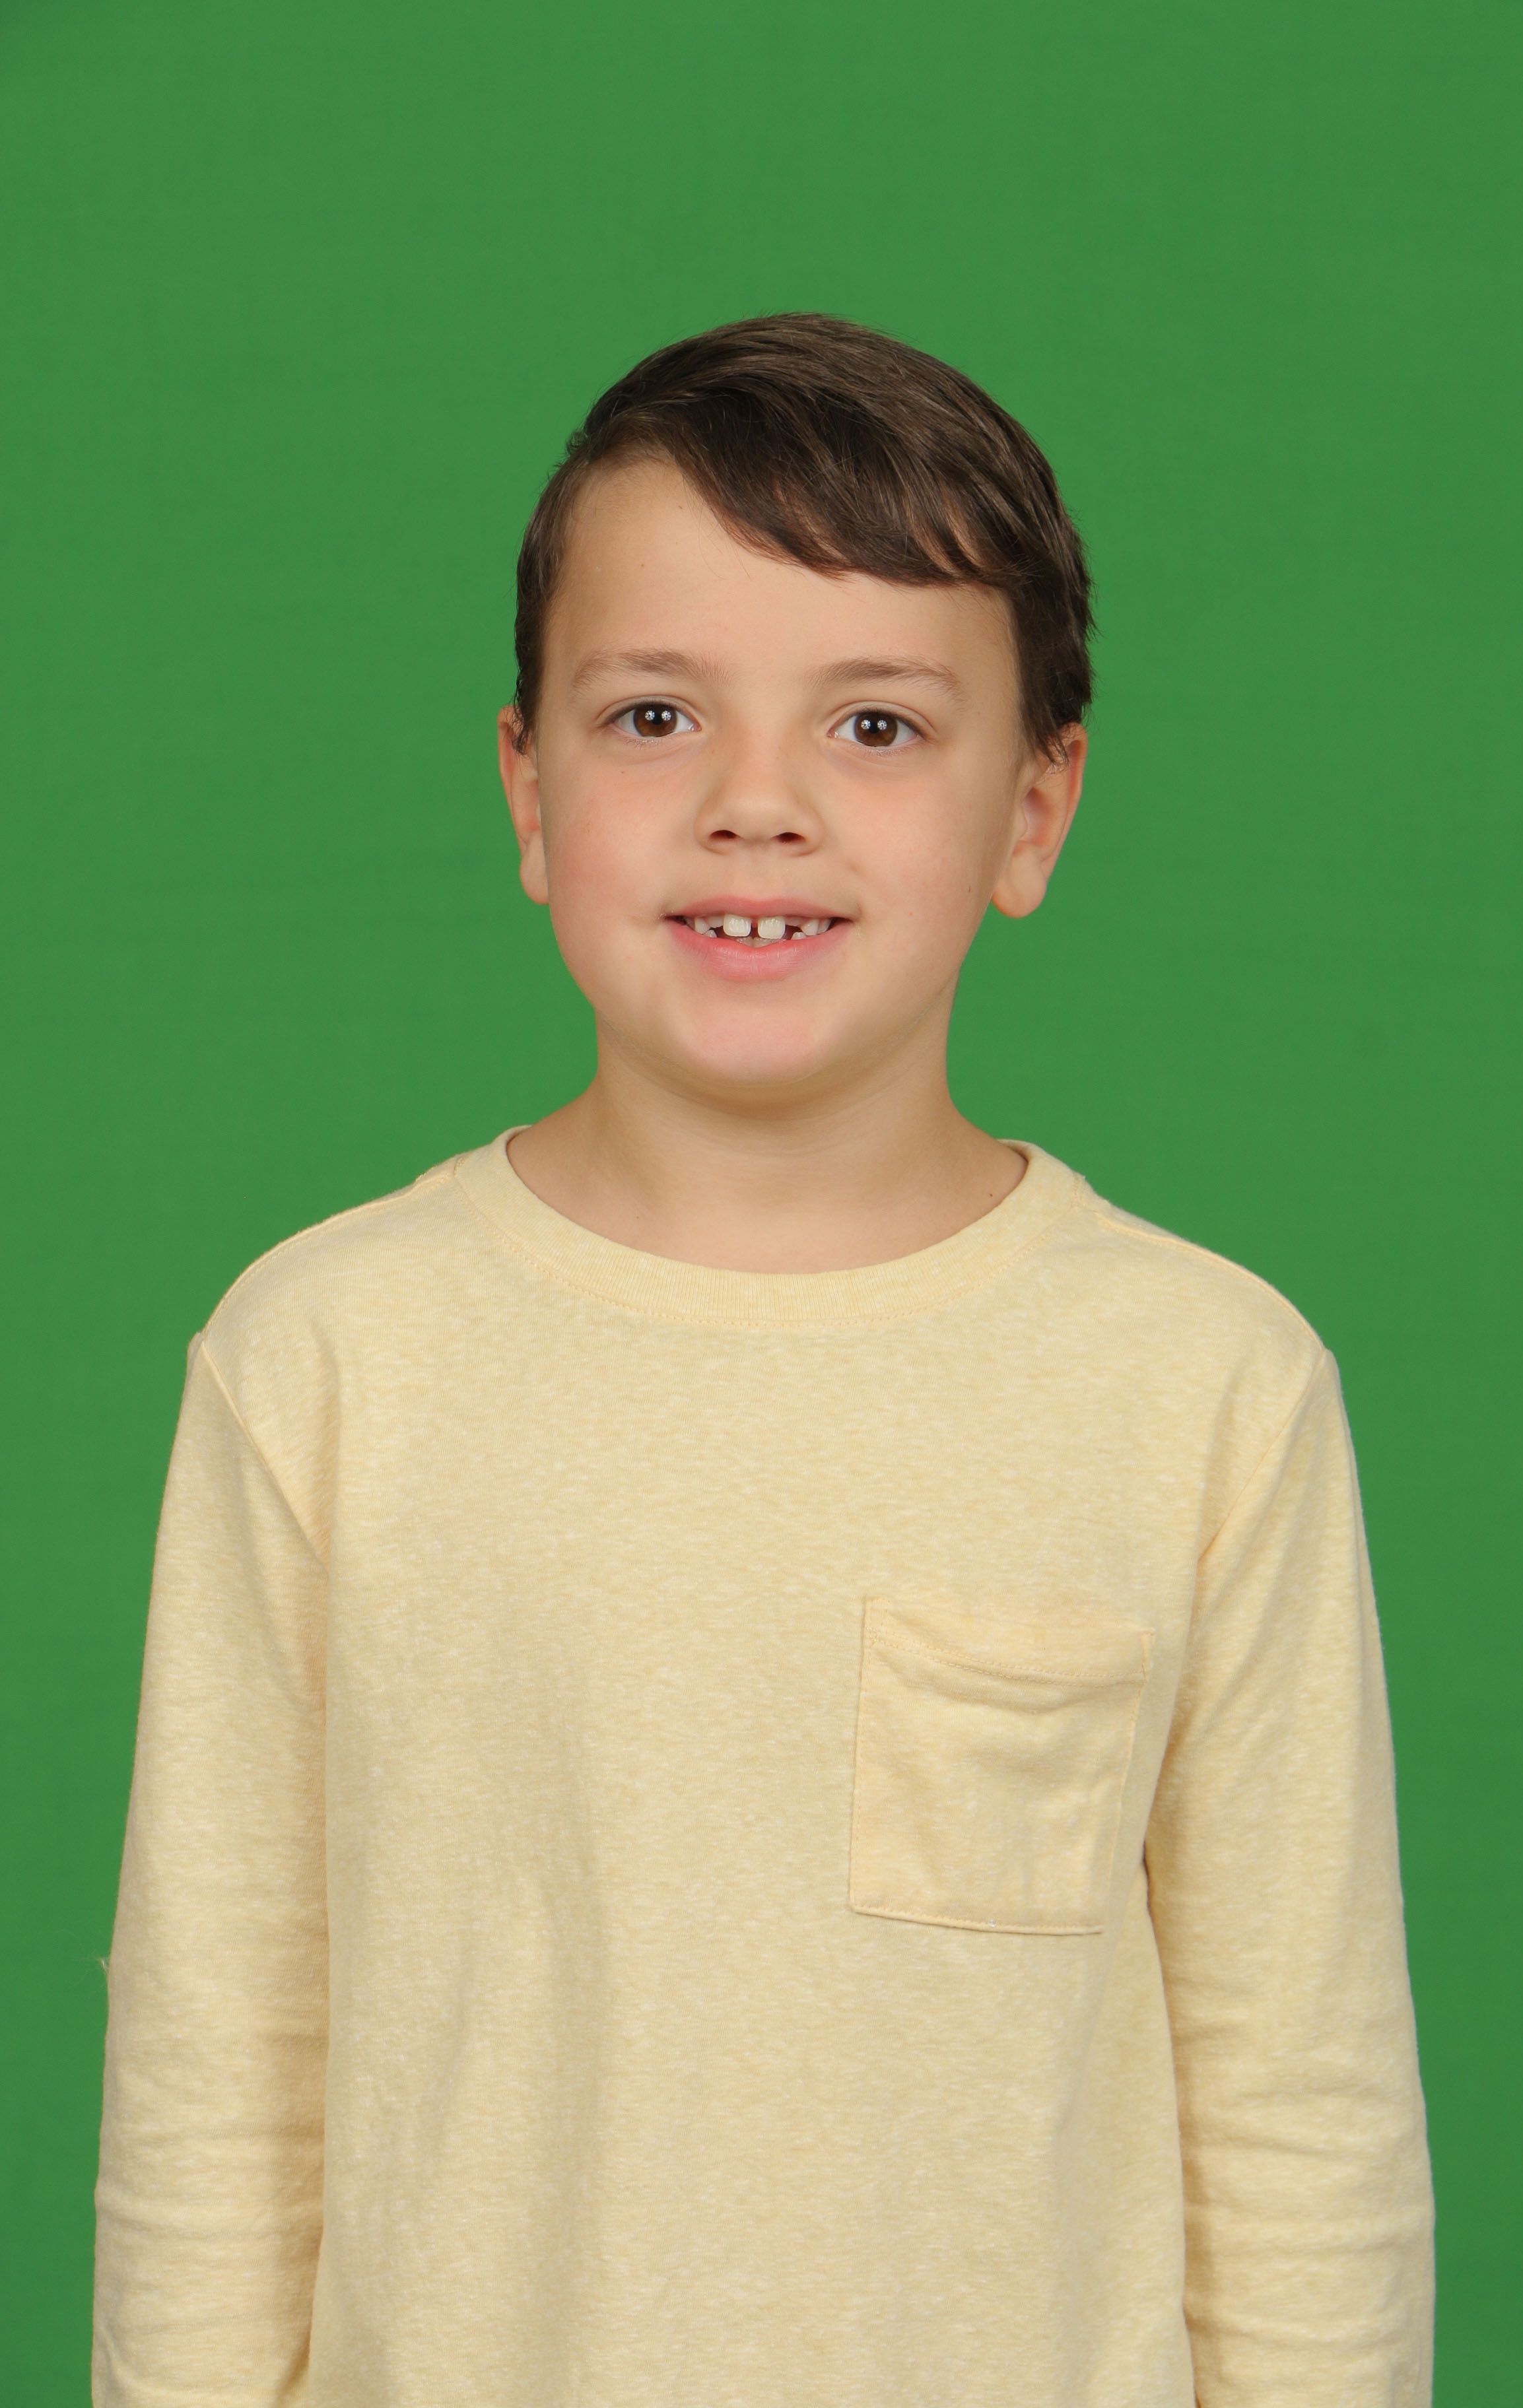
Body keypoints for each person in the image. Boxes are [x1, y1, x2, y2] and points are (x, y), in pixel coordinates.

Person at [92, 314, 1434, 2407]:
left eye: (877, 726)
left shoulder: (1205, 1387)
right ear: (527, 789)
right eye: (654, 716)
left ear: (1037, 808)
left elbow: (1300, 2114)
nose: (756, 807)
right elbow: (216, 2087)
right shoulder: (329, 1361)